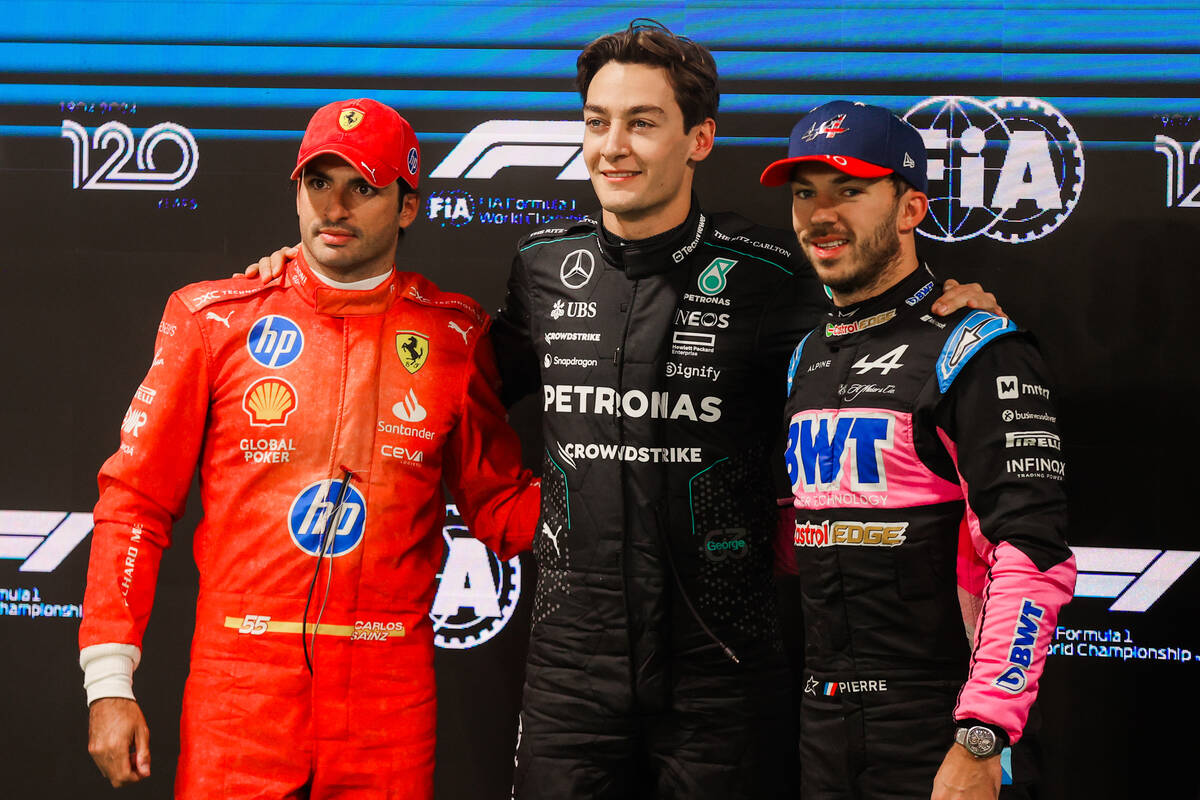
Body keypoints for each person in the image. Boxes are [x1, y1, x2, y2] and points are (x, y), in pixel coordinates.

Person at [243, 23, 1001, 799]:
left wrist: (942, 302)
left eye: (642, 123)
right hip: (573, 675)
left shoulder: (772, 273)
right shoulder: (542, 268)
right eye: (597, 121)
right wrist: (302, 283)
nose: (613, 146)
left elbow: (879, 319)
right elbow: (441, 378)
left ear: (699, 138)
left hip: (727, 672)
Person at [79, 98, 540, 799]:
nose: (336, 205)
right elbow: (135, 504)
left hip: (388, 705)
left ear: (408, 205)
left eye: (364, 186)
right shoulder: (214, 321)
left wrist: (614, 490)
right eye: (318, 182)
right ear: (295, 189)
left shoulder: (455, 339)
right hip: (240, 698)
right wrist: (108, 684)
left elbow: (499, 505)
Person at [762, 100, 1077, 800]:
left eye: (850, 190)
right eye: (805, 193)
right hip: (822, 722)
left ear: (910, 209)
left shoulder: (977, 347)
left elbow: (1032, 554)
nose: (821, 214)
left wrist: (982, 736)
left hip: (938, 725)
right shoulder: (808, 355)